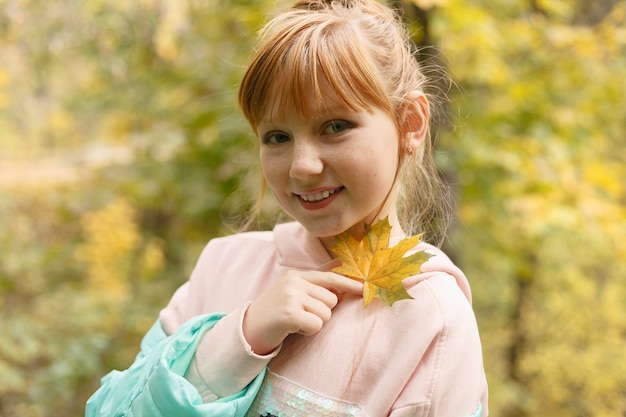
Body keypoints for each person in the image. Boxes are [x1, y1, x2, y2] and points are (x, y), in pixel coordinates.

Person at [86, 0, 489, 416]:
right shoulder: (223, 267)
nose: (303, 166)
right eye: (277, 137)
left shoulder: (431, 317)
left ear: (411, 123)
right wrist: (238, 339)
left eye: (336, 127)